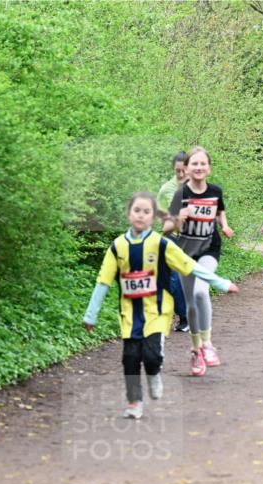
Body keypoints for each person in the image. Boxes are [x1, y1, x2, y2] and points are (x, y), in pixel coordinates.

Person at [83, 192, 238, 418]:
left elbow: (189, 266)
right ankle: (134, 402)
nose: (141, 215)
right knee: (130, 358)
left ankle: (154, 374)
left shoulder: (161, 244)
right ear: (128, 214)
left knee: (152, 355)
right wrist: (91, 315)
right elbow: (103, 282)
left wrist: (222, 283)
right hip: (129, 314)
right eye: (137, 210)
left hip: (157, 312)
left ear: (153, 217)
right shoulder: (117, 247)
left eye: (147, 211)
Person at [165, 147, 235, 376]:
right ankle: (196, 351)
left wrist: (224, 226)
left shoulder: (215, 191)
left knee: (200, 293)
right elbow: (166, 227)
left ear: (209, 168)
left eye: (203, 164)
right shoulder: (181, 194)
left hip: (209, 249)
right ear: (186, 168)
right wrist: (178, 219)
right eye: (194, 164)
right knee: (190, 304)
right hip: (185, 253)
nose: (199, 167)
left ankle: (207, 344)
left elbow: (220, 211)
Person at [157, 152, 190, 332]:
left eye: (183, 170)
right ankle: (183, 315)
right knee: (173, 278)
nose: (180, 174)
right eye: (177, 171)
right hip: (173, 237)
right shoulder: (166, 189)